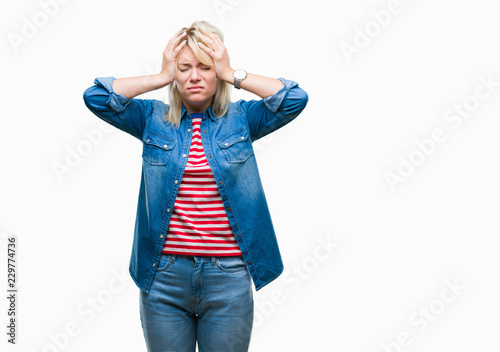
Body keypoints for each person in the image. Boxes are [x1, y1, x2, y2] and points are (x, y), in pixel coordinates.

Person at [83, 20, 308, 352]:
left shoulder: (243, 118)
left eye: (205, 67)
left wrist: (232, 72)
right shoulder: (151, 117)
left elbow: (294, 99)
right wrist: (159, 77)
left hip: (228, 278)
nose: (194, 76)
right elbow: (97, 97)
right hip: (164, 278)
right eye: (184, 67)